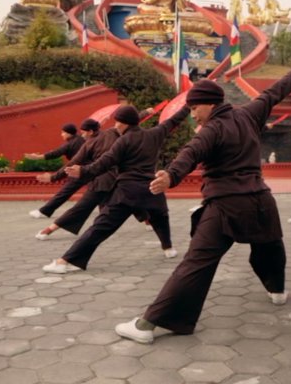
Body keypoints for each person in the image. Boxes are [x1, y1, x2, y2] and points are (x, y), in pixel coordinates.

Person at [116, 49, 291, 344]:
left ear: (209, 103)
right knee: (270, 247)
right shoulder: (249, 112)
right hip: (261, 200)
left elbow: (190, 152)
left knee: (197, 263)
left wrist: (171, 175)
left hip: (226, 206)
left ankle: (147, 325)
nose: (193, 114)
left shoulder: (212, 129)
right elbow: (274, 92)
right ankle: (278, 291)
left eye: (195, 108)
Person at [41, 104, 188, 273]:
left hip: (127, 192)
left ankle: (64, 261)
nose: (116, 125)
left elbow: (105, 162)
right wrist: (188, 105)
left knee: (100, 227)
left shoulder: (123, 141)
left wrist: (83, 170)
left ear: (126, 123)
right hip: (151, 189)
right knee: (160, 217)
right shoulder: (155, 133)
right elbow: (174, 120)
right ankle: (168, 248)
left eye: (118, 122)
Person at [33, 120, 121, 240]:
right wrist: (147, 112)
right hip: (117, 178)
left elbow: (73, 162)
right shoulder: (111, 132)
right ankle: (148, 223)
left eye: (84, 132)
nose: (82, 134)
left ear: (91, 131)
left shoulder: (89, 143)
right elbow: (129, 120)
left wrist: (53, 177)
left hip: (100, 180)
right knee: (132, 202)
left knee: (81, 208)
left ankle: (48, 231)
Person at [27, 121, 89, 219]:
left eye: (63, 132)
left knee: (64, 192)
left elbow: (56, 153)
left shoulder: (70, 144)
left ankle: (44, 211)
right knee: (99, 190)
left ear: (69, 133)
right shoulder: (81, 139)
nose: (61, 135)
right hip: (91, 169)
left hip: (78, 171)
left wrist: (38, 157)